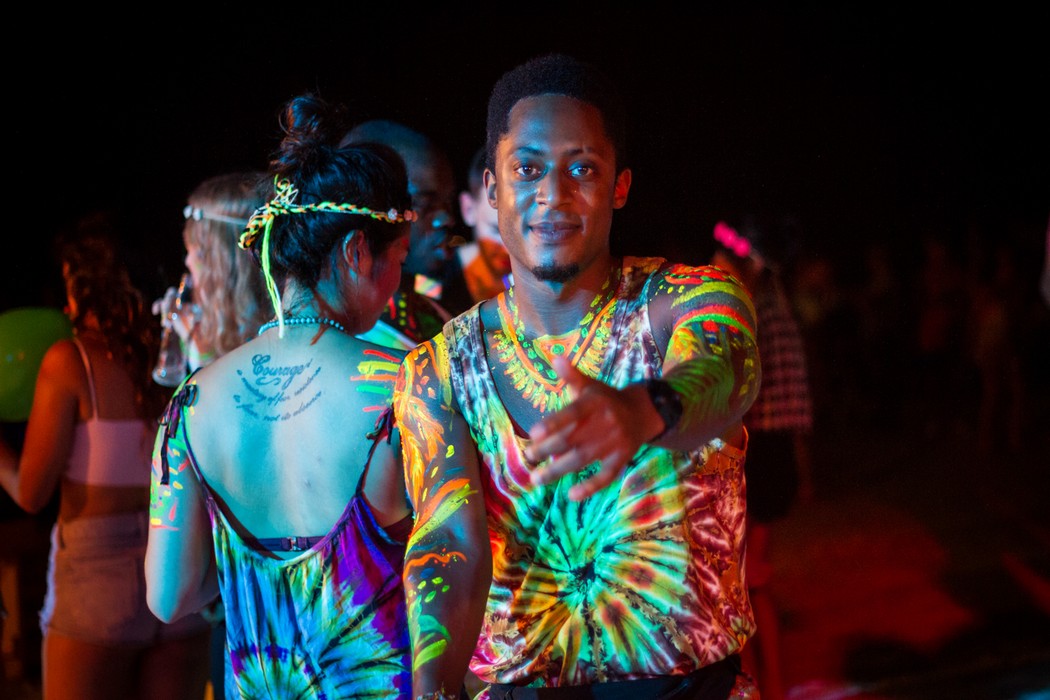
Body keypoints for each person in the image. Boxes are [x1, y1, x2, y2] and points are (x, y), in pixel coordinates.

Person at [394, 53, 762, 699]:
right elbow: (450, 541)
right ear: (491, 188)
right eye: (527, 169)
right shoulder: (439, 367)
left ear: (619, 186)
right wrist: (434, 684)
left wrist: (647, 409)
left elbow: (731, 368)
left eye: (582, 169)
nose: (552, 196)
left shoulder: (682, 301)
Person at [144, 93, 418, 699]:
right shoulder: (406, 384)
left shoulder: (190, 403)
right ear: (355, 252)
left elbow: (169, 597)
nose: (399, 282)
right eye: (396, 259)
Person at [0, 219, 211, 700]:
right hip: (180, 580)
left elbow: (30, 493)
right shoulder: (178, 355)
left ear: (81, 286)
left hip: (96, 588)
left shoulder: (71, 362)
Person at [153, 171, 274, 698]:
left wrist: (194, 363)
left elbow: (211, 484)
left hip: (250, 615)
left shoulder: (232, 375)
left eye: (194, 254)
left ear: (223, 260)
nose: (186, 269)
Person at [711, 215, 814, 700]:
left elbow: (744, 393)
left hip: (761, 453)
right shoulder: (779, 305)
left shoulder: (752, 310)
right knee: (752, 583)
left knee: (744, 586)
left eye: (722, 264)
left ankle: (760, 685)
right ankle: (768, 683)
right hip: (777, 453)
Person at [340, 119, 461, 348]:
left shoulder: (435, 302)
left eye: (447, 202)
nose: (446, 218)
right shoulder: (353, 334)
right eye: (424, 202)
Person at [454, 146, 513, 304]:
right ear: (468, 209)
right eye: (495, 231)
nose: (508, 249)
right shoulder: (438, 279)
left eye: (518, 234)